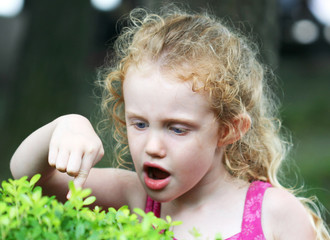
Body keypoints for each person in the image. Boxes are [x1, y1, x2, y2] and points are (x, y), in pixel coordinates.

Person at [10, 6, 329, 240]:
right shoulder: (134, 198)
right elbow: (29, 177)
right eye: (139, 124)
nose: (152, 146)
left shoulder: (274, 214)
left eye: (177, 128)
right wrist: (65, 125)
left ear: (228, 129)